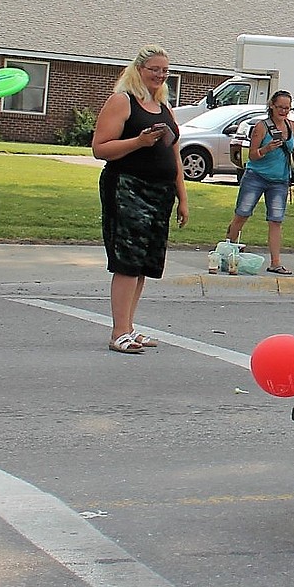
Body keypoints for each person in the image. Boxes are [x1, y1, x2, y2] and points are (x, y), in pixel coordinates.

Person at [92, 44, 188, 354]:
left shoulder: (164, 108)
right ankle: (118, 331)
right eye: (154, 70)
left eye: (164, 71)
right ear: (139, 70)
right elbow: (100, 148)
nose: (160, 75)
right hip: (127, 187)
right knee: (128, 261)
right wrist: (139, 141)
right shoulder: (122, 102)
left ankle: (129, 328)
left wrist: (182, 198)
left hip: (161, 192)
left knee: (145, 263)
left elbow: (175, 155)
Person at [225, 90, 294, 275]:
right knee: (242, 213)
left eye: (287, 108)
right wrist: (266, 148)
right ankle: (229, 250)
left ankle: (276, 262)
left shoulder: (293, 128)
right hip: (256, 176)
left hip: (280, 181)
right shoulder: (261, 127)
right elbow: (252, 155)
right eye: (280, 107)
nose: (284, 111)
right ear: (271, 106)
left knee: (276, 220)